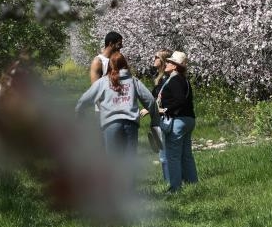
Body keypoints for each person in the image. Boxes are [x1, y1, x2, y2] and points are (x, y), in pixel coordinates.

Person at [76, 51, 159, 155]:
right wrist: (155, 121)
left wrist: (80, 112)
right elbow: (150, 100)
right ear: (125, 64)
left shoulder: (103, 82)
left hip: (111, 124)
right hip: (130, 124)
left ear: (110, 65)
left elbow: (84, 99)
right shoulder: (133, 81)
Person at [158, 50, 198, 192]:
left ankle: (175, 188)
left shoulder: (174, 80)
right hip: (188, 119)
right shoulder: (184, 80)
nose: (166, 64)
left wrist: (165, 110)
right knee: (186, 155)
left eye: (169, 62)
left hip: (178, 121)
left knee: (173, 156)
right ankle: (193, 184)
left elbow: (179, 100)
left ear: (175, 66)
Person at [147, 49, 173, 183]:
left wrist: (152, 109)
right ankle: (167, 181)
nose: (154, 58)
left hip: (164, 117)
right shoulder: (159, 77)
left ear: (162, 60)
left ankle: (170, 183)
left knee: (165, 155)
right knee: (161, 153)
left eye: (156, 57)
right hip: (158, 118)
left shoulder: (167, 80)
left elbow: (168, 102)